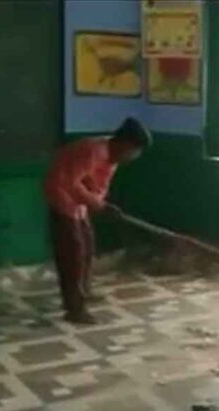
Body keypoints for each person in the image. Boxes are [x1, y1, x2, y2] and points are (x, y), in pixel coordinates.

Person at [44, 117, 152, 324]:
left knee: (87, 245)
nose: (135, 156)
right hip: (61, 195)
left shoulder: (113, 157)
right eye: (135, 150)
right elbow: (70, 182)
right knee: (72, 252)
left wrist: (101, 204)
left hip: (78, 203)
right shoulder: (92, 151)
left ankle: (84, 290)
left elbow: (99, 186)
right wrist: (98, 205)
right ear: (125, 144)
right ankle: (74, 308)